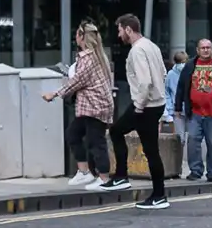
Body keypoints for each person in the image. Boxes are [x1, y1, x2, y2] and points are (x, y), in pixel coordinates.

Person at [103, 13, 169, 209]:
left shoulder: (137, 51)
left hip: (145, 106)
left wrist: (138, 106)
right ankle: (153, 192)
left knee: (142, 145)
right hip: (156, 103)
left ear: (128, 29)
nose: (119, 34)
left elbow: (145, 81)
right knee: (128, 137)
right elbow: (163, 73)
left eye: (120, 30)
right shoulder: (152, 46)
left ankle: (154, 194)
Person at [44, 22, 114, 187]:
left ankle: (104, 179)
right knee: (73, 134)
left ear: (82, 37)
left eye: (77, 34)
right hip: (90, 107)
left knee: (96, 142)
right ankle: (85, 172)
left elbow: (76, 81)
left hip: (95, 108)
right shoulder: (94, 56)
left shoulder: (89, 59)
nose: (75, 37)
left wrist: (54, 94)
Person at [174, 39, 212, 182]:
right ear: (197, 50)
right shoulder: (190, 66)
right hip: (194, 113)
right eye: (203, 48)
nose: (206, 50)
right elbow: (181, 87)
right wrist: (178, 107)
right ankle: (195, 171)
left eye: (208, 47)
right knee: (193, 142)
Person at [165, 48, 189, 161]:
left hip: (190, 109)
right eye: (180, 62)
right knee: (180, 139)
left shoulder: (190, 72)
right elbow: (167, 92)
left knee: (194, 137)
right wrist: (170, 109)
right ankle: (178, 163)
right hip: (177, 110)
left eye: (184, 62)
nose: (182, 65)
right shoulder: (171, 74)